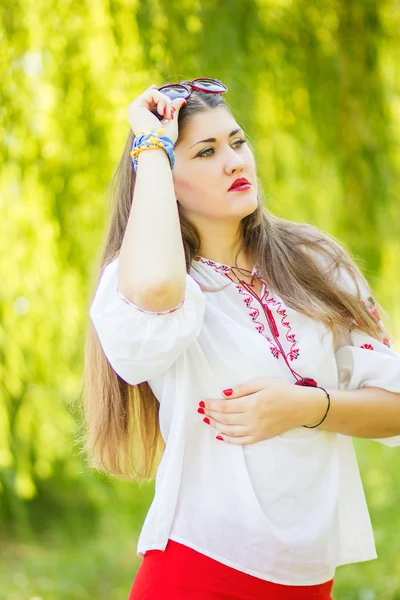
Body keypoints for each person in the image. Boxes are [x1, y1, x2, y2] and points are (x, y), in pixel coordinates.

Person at [83, 78, 400, 600]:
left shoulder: (316, 261)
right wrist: (149, 144)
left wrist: (306, 406)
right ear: (163, 174)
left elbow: (392, 405)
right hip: (200, 564)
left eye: (237, 141)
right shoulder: (152, 279)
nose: (234, 161)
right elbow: (159, 288)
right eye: (205, 152)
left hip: (308, 574)